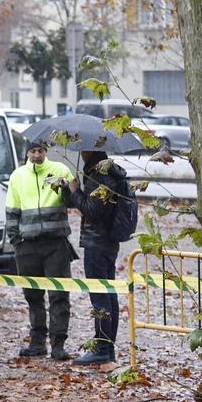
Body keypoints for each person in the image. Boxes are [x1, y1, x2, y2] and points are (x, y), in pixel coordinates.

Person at [6, 140, 76, 360]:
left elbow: (74, 200)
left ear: (46, 152)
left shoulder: (59, 170)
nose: (37, 155)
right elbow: (12, 210)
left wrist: (67, 189)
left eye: (40, 151)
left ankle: (58, 344)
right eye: (33, 151)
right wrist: (16, 241)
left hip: (56, 244)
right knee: (33, 295)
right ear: (27, 153)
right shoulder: (18, 176)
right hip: (27, 246)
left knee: (59, 295)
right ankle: (37, 343)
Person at [65, 150, 134, 364]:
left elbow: (92, 210)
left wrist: (76, 191)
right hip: (107, 241)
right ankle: (106, 346)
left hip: (98, 242)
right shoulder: (108, 172)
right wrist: (72, 192)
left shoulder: (99, 176)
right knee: (108, 293)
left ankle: (103, 347)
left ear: (90, 151)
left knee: (100, 295)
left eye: (82, 148)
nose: (80, 152)